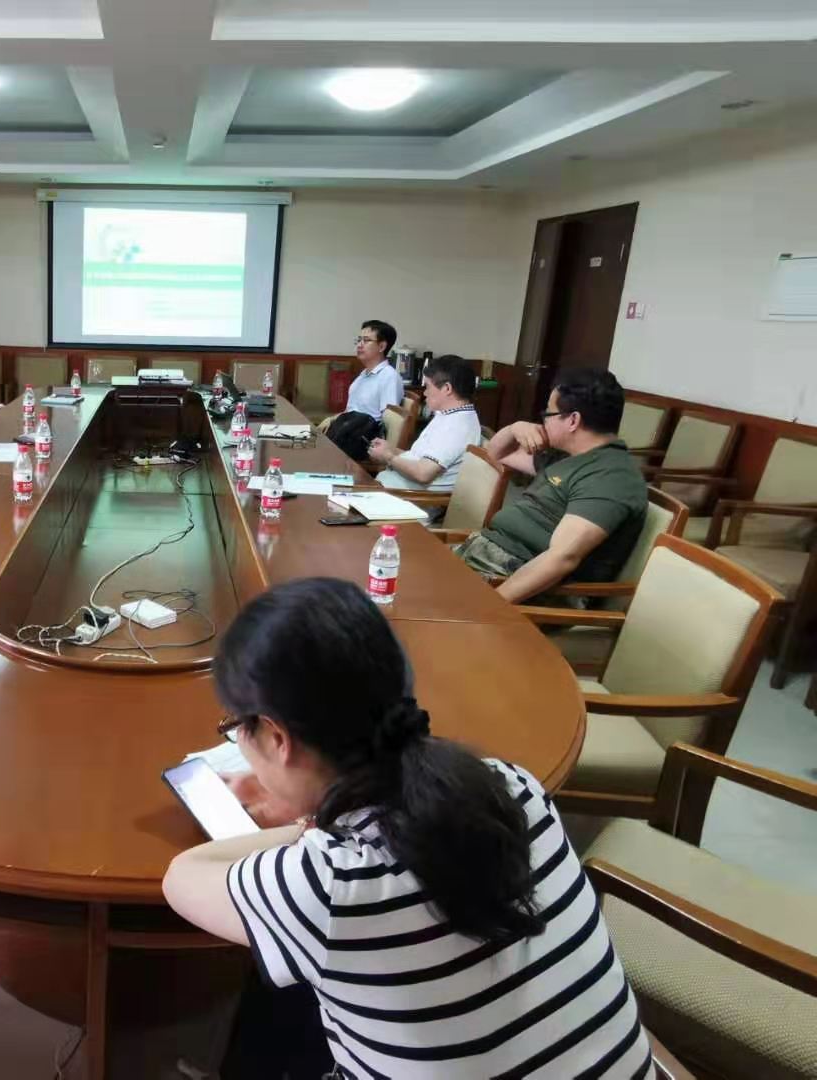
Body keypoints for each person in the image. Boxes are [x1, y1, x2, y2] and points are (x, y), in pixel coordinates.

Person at [162, 578, 654, 1079]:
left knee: (291, 968)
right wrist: (313, 811)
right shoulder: (512, 787)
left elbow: (182, 876)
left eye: (236, 728)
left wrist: (303, 825)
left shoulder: (328, 889)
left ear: (276, 737)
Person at [454, 369, 647, 605]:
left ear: (573, 420)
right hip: (484, 555)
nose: (543, 421)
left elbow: (561, 558)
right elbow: (496, 454)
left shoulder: (611, 477)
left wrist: (490, 606)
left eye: (548, 413)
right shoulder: (566, 456)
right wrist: (515, 428)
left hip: (519, 581)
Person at [367, 353, 482, 491]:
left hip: (407, 497)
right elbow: (419, 458)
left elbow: (423, 473)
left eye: (427, 387)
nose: (425, 393)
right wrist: (391, 450)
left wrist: (388, 456)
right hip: (391, 487)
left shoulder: (457, 426)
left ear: (447, 388)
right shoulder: (449, 415)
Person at [315, 319, 405, 460]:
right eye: (359, 340)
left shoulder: (389, 376)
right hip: (348, 433)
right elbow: (351, 411)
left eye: (366, 340)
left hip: (364, 441)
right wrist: (332, 419)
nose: (359, 345)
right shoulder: (363, 375)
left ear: (382, 346)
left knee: (317, 454)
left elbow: (388, 421)